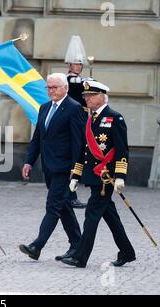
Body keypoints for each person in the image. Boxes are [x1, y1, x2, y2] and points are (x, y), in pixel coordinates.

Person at [62, 80, 136, 268]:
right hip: (92, 176)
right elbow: (82, 150)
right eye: (85, 96)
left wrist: (120, 176)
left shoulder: (114, 118)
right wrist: (76, 176)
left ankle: (80, 256)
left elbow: (122, 151)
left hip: (106, 178)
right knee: (110, 215)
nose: (86, 99)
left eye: (90, 96)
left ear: (102, 97)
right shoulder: (91, 119)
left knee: (91, 214)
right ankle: (127, 252)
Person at [20, 73, 83, 262]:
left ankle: (37, 246)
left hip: (65, 168)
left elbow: (78, 141)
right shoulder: (44, 107)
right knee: (62, 206)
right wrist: (29, 161)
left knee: (53, 206)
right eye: (48, 87)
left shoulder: (74, 108)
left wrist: (76, 168)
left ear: (65, 88)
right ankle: (77, 243)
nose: (51, 91)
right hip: (48, 166)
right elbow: (38, 137)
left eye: (55, 87)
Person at [64, 35, 88, 209]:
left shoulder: (78, 81)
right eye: (76, 63)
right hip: (73, 127)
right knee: (74, 161)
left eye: (80, 64)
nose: (79, 66)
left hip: (78, 126)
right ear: (70, 64)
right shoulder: (71, 82)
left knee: (75, 161)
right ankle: (70, 196)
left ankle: (69, 194)